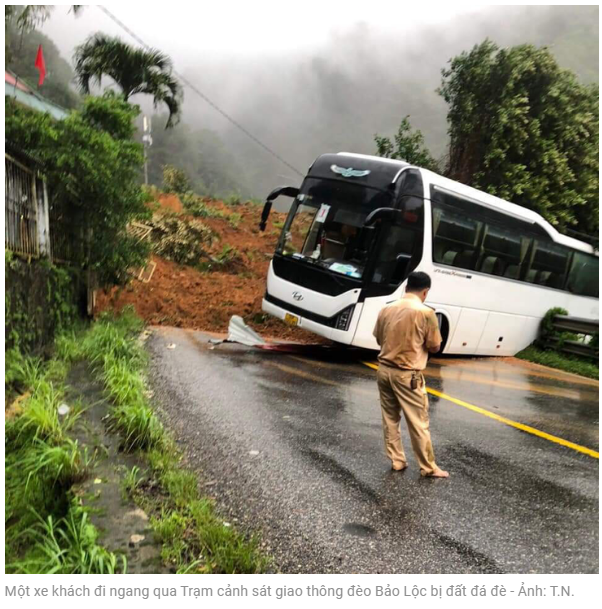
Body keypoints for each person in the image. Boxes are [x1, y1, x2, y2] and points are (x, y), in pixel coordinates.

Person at [373, 271, 449, 478]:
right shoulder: (426, 313)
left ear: (406, 287)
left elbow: (378, 338)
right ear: (425, 292)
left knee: (390, 418)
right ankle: (429, 467)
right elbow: (434, 346)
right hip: (408, 375)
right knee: (418, 422)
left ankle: (397, 460)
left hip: (384, 370)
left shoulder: (386, 308)